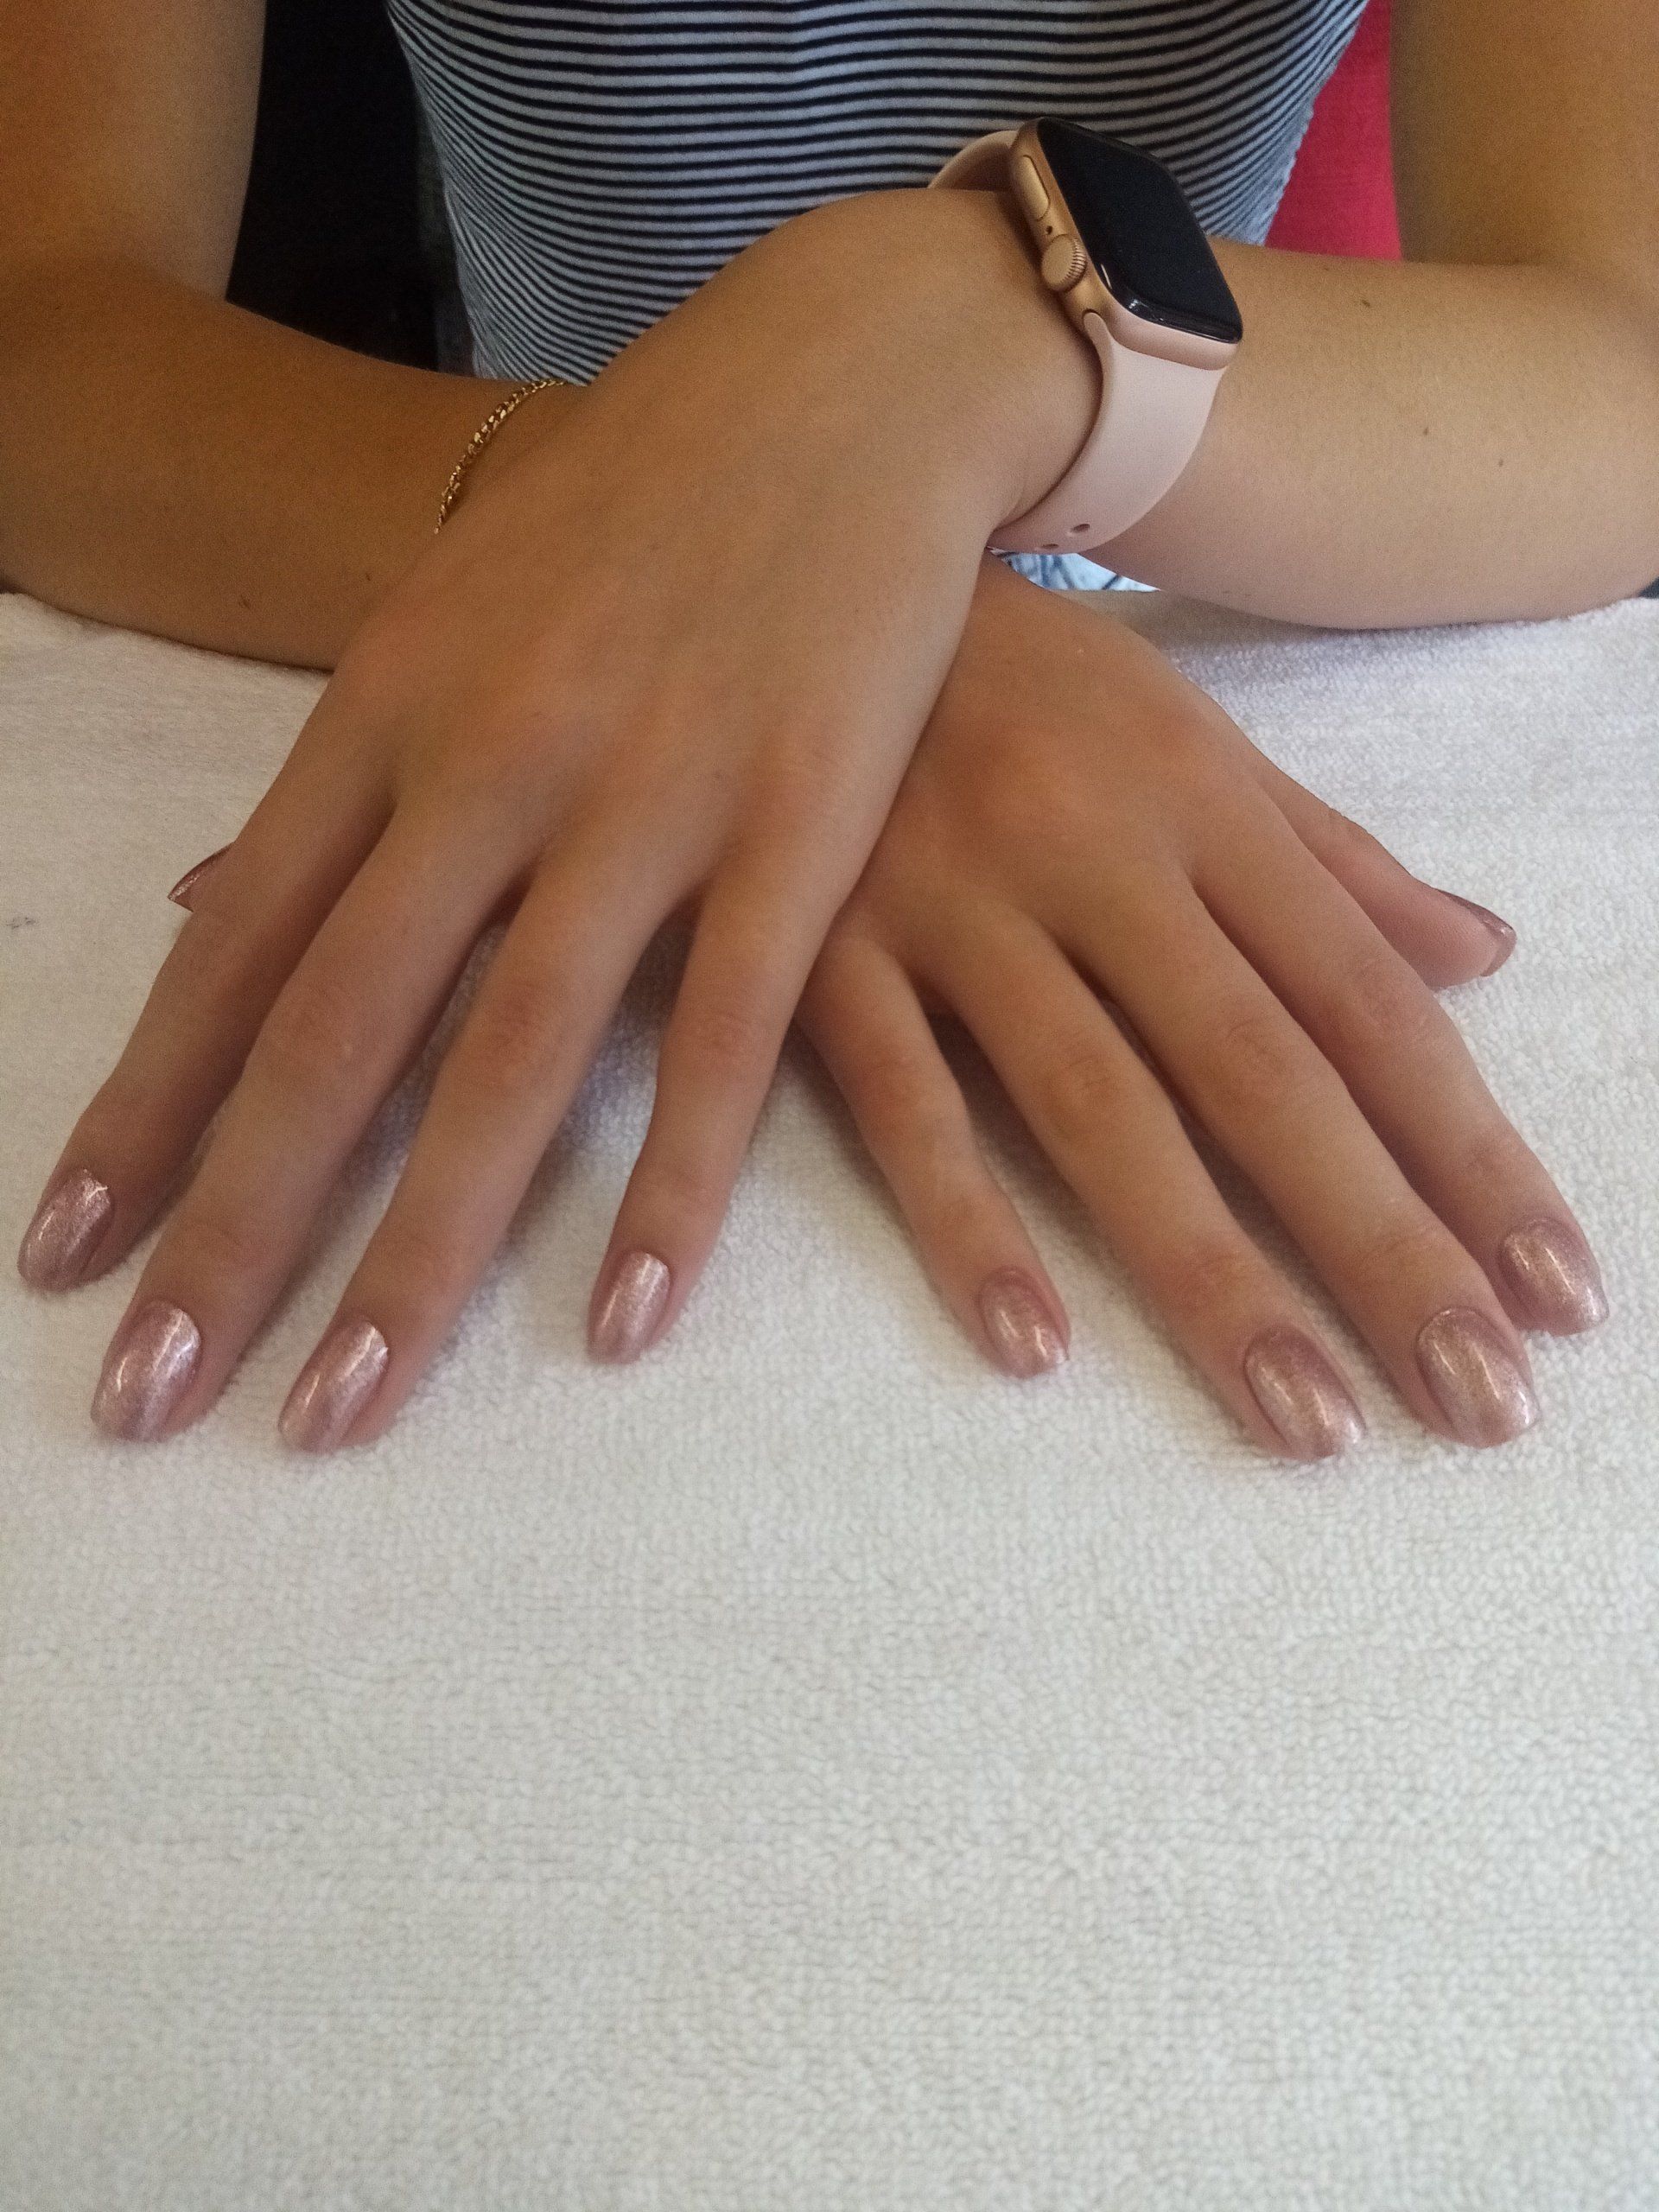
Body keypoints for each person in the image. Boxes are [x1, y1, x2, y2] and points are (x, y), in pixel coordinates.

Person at [6, 1, 1653, 1461]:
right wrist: (688, 555)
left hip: (1192, 559)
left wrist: (954, 329)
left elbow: (1622, 346)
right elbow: (45, 321)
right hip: (513, 603)